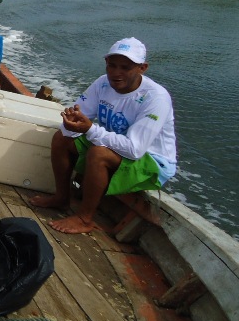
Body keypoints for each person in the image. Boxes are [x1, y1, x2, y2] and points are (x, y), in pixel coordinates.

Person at [30, 37, 177, 234]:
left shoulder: (156, 98)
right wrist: (70, 121)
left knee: (98, 153)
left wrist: (90, 129)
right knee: (61, 138)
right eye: (112, 65)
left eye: (125, 68)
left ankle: (84, 218)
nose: (116, 73)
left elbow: (134, 149)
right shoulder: (103, 83)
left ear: (142, 68)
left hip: (152, 160)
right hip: (117, 146)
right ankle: (62, 198)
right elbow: (80, 115)